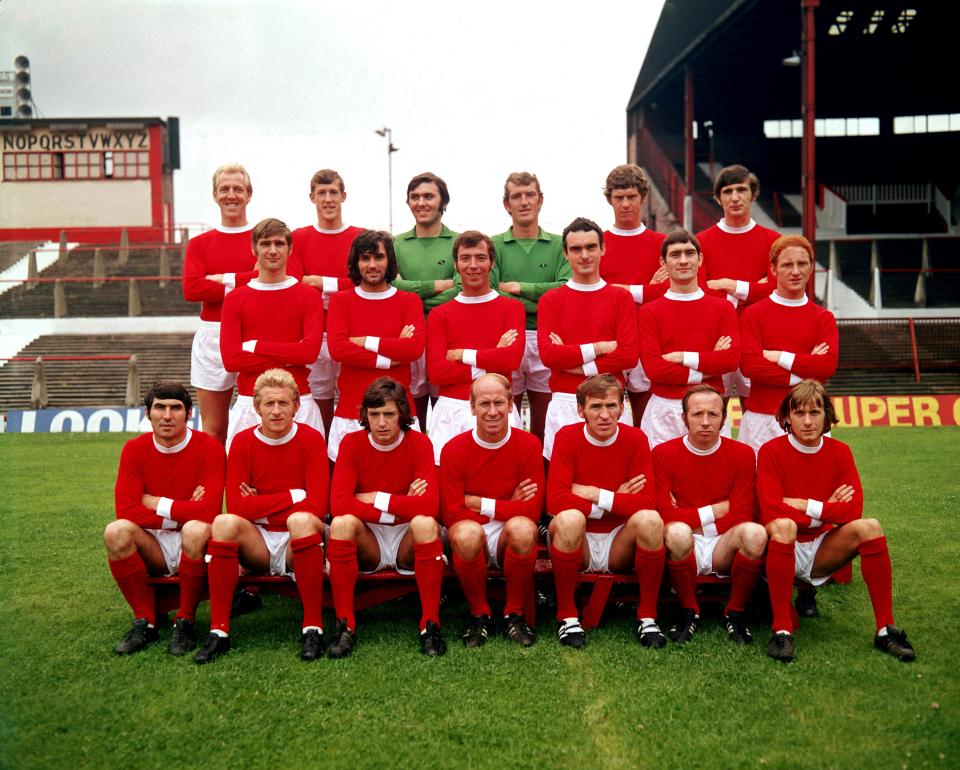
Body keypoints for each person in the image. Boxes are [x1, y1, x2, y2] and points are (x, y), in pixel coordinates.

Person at [757, 379, 916, 663]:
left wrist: (809, 506)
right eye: (799, 413)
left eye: (815, 413)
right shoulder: (770, 451)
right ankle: (781, 631)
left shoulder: (840, 452)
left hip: (822, 548)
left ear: (826, 416)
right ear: (787, 417)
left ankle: (885, 630)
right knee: (783, 526)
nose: (807, 421)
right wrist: (828, 508)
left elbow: (853, 510)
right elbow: (771, 511)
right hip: (783, 547)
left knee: (870, 527)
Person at [195, 369, 330, 664]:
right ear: (256, 407)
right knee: (224, 523)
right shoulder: (242, 442)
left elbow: (317, 506)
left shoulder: (311, 440)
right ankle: (219, 630)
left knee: (302, 520)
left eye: (283, 403)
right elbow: (240, 509)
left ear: (297, 406)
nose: (277, 411)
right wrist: (295, 495)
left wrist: (263, 504)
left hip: (299, 539)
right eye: (269, 404)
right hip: (258, 543)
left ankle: (312, 627)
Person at [327, 378, 446, 657]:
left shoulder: (419, 443)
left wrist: (376, 497)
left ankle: (430, 624)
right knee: (342, 523)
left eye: (389, 414)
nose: (381, 422)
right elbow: (339, 503)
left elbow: (429, 505)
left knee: (425, 523)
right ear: (365, 415)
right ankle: (345, 624)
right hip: (370, 538)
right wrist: (404, 502)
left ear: (403, 414)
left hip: (407, 536)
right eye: (374, 414)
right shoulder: (352, 443)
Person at [105, 381, 225, 655]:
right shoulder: (134, 449)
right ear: (148, 414)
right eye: (159, 408)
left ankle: (185, 620)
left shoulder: (209, 447)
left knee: (196, 528)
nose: (167, 415)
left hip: (195, 540)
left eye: (175, 408)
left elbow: (208, 512)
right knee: (116, 531)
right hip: (153, 543)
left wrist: (157, 502)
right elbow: (126, 510)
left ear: (189, 413)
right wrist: (179, 513)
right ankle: (145, 622)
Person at [546, 375, 665, 649]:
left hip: (619, 541)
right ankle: (567, 616)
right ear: (581, 410)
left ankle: (647, 616)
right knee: (568, 518)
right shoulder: (566, 436)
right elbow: (555, 501)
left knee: (650, 520)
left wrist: (594, 493)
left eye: (611, 406)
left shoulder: (636, 438)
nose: (604, 415)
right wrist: (616, 500)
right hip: (581, 538)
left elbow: (648, 501)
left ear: (622, 408)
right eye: (596, 406)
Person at [653, 385, 766, 646]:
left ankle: (735, 611)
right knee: (677, 532)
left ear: (724, 419)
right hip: (683, 541)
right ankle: (688, 609)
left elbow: (740, 515)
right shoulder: (662, 454)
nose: (705, 422)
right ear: (684, 418)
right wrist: (713, 511)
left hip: (723, 543)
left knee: (755, 532)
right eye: (697, 414)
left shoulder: (742, 454)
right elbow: (664, 515)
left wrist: (687, 516)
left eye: (713, 415)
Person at [439, 374, 544, 647]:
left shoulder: (529, 445)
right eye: (484, 403)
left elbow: (532, 510)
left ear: (511, 405)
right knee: (466, 533)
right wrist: (509, 503)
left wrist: (476, 502)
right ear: (472, 407)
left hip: (508, 528)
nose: (493, 411)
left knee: (523, 528)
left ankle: (514, 614)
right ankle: (479, 614)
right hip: (472, 527)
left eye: (499, 402)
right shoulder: (453, 450)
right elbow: (451, 513)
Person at [219, 217, 325, 450]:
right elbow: (231, 359)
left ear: (290, 248)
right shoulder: (235, 299)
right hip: (250, 403)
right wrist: (290, 356)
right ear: (254, 248)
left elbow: (308, 353)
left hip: (299, 404)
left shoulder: (308, 296)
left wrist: (256, 346)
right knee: (247, 485)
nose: (273, 250)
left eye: (279, 243)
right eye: (266, 243)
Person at [537, 218, 639, 460]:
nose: (584, 255)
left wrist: (575, 364)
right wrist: (599, 348)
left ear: (603, 248)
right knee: (563, 483)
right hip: (565, 402)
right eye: (576, 249)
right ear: (565, 253)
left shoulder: (620, 298)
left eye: (591, 247)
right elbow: (550, 355)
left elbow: (628, 355)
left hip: (610, 404)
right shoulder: (551, 300)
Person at [426, 230, 525, 462]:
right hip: (451, 410)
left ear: (491, 262)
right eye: (465, 258)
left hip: (497, 410)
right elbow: (437, 372)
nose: (473, 265)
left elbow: (510, 360)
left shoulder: (511, 308)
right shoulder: (440, 314)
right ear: (456, 264)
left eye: (480, 258)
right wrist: (492, 360)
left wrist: (462, 355)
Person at [326, 230, 425, 460]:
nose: (372, 264)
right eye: (365, 258)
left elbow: (413, 349)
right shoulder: (341, 301)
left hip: (399, 412)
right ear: (356, 262)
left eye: (379, 257)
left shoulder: (409, 301)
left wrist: (365, 342)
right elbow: (339, 349)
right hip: (351, 411)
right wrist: (390, 357)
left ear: (389, 260)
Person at [637, 230, 740, 449]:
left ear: (700, 258)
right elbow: (654, 369)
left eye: (689, 253)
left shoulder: (723, 308)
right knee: (663, 480)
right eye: (675, 255)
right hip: (665, 409)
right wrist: (708, 362)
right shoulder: (649, 312)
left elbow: (730, 360)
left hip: (710, 409)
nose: (683, 260)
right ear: (663, 262)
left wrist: (684, 357)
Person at [739, 234, 839, 454]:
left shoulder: (823, 318)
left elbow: (826, 367)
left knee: (811, 487)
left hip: (809, 419)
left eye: (802, 264)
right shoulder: (753, 314)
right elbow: (750, 366)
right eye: (787, 264)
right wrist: (807, 373)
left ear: (811, 267)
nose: (795, 271)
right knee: (759, 487)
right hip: (762, 420)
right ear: (773, 269)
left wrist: (780, 357)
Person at [182, 163, 257, 445]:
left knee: (257, 424)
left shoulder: (261, 238)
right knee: (213, 430)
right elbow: (192, 288)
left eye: (238, 189)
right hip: (212, 333)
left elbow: (267, 278)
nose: (231, 195)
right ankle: (214, 491)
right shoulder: (200, 243)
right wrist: (244, 283)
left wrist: (222, 280)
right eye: (224, 189)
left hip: (253, 334)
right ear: (215, 195)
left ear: (249, 194)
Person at [492, 171, 569, 440]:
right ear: (506, 204)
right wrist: (540, 298)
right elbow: (492, 295)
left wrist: (519, 288)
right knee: (506, 422)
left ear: (540, 200)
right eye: (516, 196)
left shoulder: (561, 244)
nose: (524, 202)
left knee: (544, 424)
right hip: (506, 337)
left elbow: (564, 291)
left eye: (530, 195)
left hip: (547, 337)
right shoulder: (493, 245)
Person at [289, 169, 364, 436]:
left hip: (352, 334)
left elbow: (364, 282)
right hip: (315, 334)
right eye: (322, 193)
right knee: (319, 407)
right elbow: (298, 285)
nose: (328, 199)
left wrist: (322, 283)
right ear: (312, 198)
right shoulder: (298, 238)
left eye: (333, 192)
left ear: (343, 196)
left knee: (353, 406)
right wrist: (342, 285)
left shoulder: (360, 236)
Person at [599, 164, 668, 426]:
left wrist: (621, 290)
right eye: (619, 198)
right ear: (609, 200)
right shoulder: (598, 242)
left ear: (643, 197)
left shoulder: (661, 243)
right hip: (609, 339)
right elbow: (598, 293)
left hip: (650, 338)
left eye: (631, 197)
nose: (625, 204)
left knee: (645, 420)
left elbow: (667, 293)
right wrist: (645, 289)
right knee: (606, 418)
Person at [393, 172, 460, 429]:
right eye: (415, 197)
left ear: (443, 201)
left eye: (429, 196)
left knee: (447, 415)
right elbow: (392, 289)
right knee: (411, 415)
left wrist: (411, 296)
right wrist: (437, 286)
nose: (421, 203)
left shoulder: (459, 242)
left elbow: (460, 291)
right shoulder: (395, 244)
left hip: (449, 337)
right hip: (409, 336)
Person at [697, 164, 781, 311]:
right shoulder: (700, 242)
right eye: (728, 191)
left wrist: (727, 285)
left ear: (754, 195)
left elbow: (778, 290)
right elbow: (698, 292)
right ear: (718, 199)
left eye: (741, 190)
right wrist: (751, 292)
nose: (735, 198)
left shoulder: (775, 241)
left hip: (760, 329)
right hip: (718, 330)